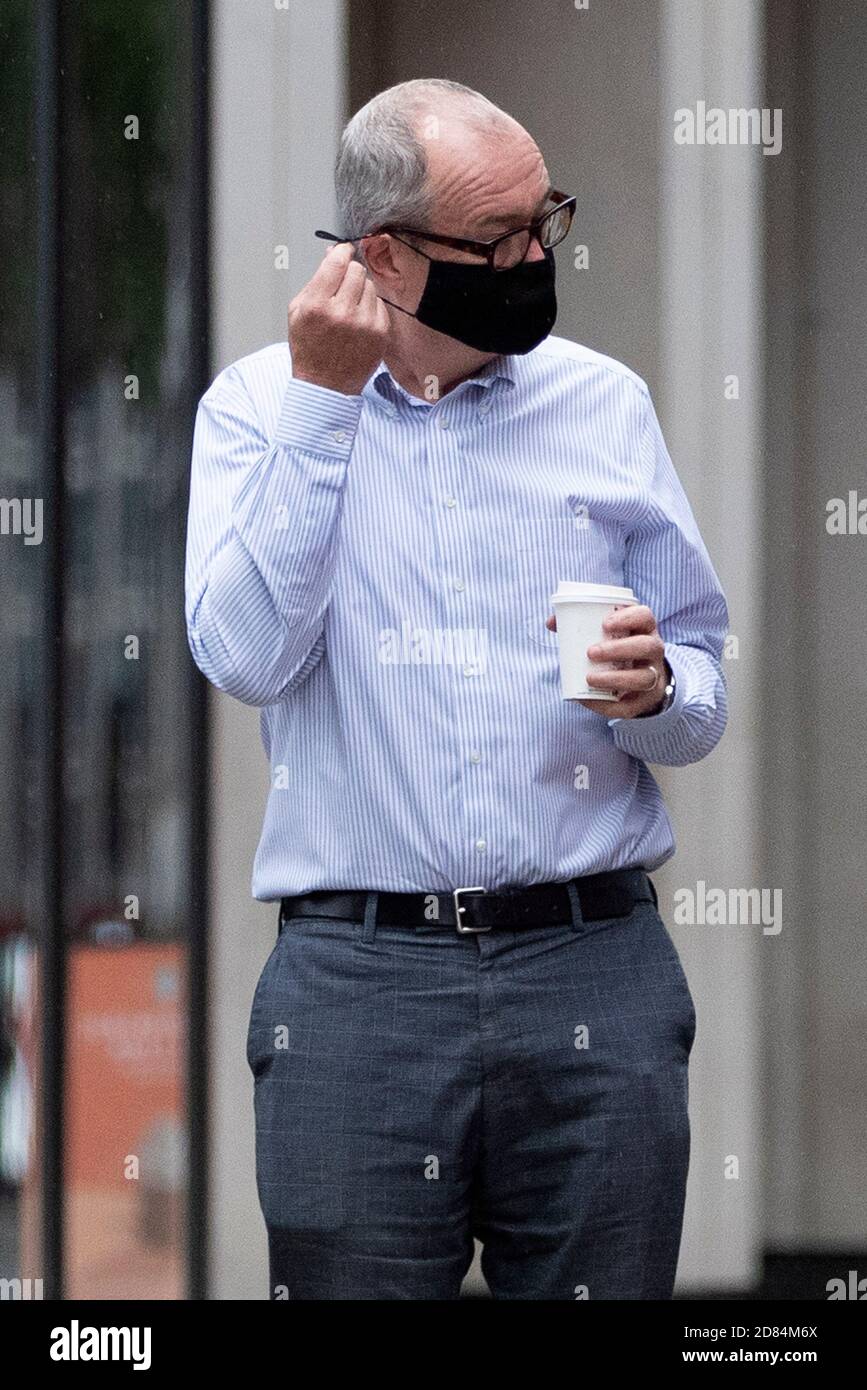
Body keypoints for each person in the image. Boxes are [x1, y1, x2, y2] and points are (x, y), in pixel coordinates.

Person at [185, 77, 728, 1300]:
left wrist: (661, 692)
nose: (535, 257)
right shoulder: (259, 410)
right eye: (499, 240)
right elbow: (245, 660)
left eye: (549, 223)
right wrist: (325, 408)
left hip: (595, 965)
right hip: (360, 989)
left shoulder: (606, 404)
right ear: (383, 253)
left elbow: (704, 682)